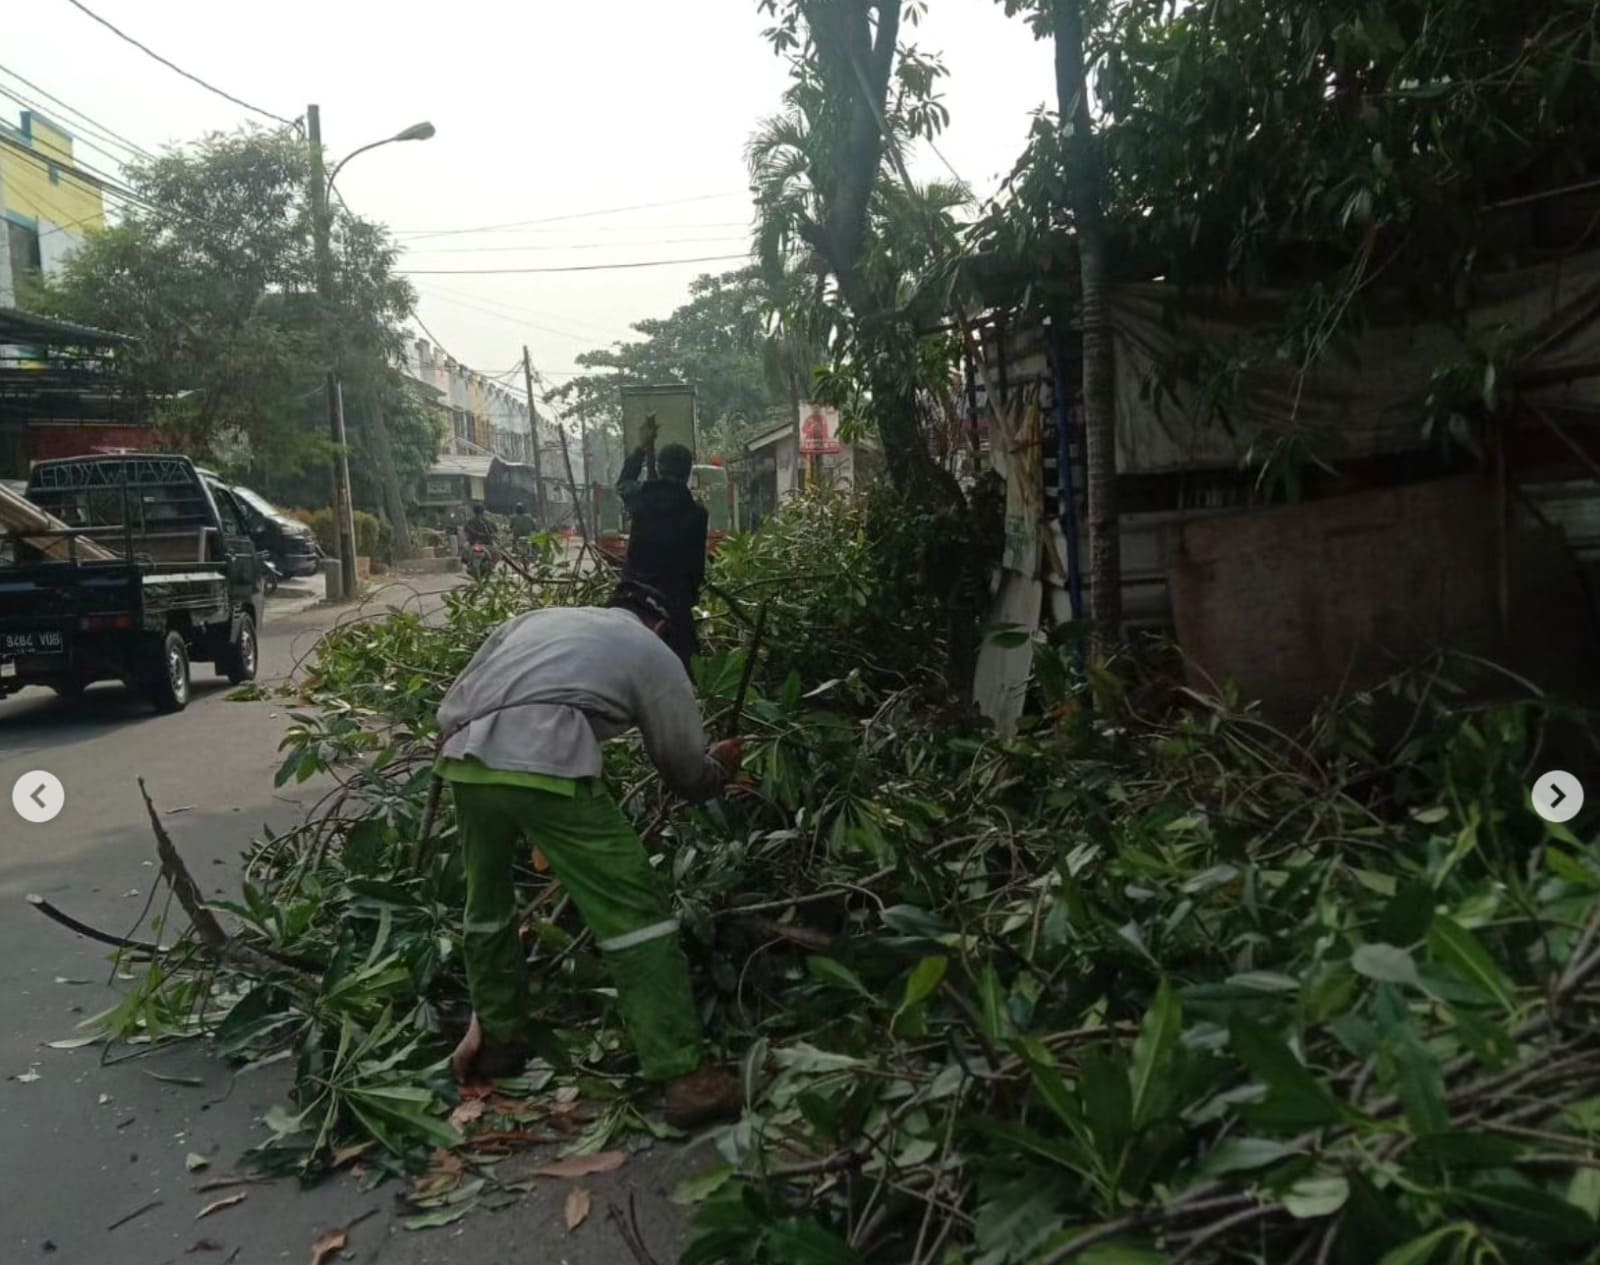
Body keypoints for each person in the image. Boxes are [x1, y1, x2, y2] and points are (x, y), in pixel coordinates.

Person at [438, 580, 744, 1127]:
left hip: (464, 757)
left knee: (487, 907)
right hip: (545, 761)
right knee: (633, 915)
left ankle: (500, 1042)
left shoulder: (536, 620)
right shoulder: (653, 652)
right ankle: (683, 1074)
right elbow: (681, 766)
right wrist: (718, 771)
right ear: (660, 627)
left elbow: (462, 692)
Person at [617, 415, 708, 672]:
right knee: (687, 668)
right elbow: (695, 570)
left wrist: (641, 448)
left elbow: (622, 484)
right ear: (688, 472)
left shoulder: (641, 497)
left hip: (631, 592)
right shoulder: (697, 514)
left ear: (660, 465)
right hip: (674, 601)